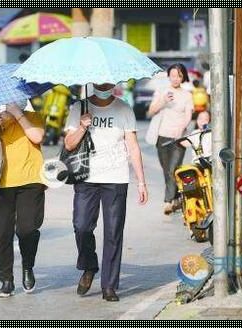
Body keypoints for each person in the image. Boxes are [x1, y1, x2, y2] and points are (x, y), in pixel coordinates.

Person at [64, 83, 148, 302]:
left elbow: (133, 147)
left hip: (116, 178)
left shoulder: (124, 109)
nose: (104, 85)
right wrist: (82, 127)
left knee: (113, 233)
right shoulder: (78, 107)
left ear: (114, 83)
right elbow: (69, 144)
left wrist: (141, 181)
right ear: (92, 82)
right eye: (100, 81)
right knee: (81, 226)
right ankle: (89, 266)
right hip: (86, 178)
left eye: (109, 81)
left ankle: (109, 285)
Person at [0, 100, 46, 298]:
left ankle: (27, 267)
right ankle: (6, 280)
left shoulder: (33, 117)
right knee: (0, 233)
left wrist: (18, 114)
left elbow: (37, 137)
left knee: (28, 229)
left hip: (30, 180)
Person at [147, 63, 194, 215]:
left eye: (179, 76)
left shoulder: (187, 95)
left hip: (178, 138)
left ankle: (168, 201)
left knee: (174, 169)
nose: (175, 79)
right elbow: (151, 111)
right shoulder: (162, 91)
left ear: (183, 77)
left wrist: (181, 128)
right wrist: (163, 101)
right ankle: (177, 198)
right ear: (168, 76)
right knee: (167, 170)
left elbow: (188, 115)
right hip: (162, 136)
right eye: (173, 75)